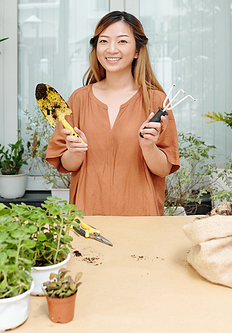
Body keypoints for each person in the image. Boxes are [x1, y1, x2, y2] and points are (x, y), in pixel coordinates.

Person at [46, 11, 180, 216]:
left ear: (137, 50)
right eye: (104, 41)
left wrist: (148, 146)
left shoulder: (156, 101)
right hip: (88, 215)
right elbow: (65, 164)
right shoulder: (79, 99)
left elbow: (163, 169)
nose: (111, 49)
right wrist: (74, 153)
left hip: (141, 217)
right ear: (96, 48)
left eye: (122, 41)